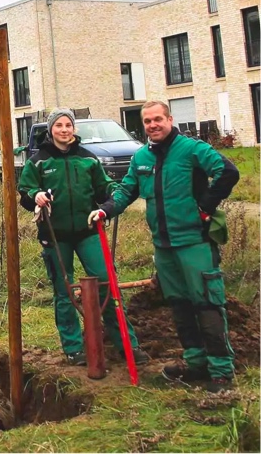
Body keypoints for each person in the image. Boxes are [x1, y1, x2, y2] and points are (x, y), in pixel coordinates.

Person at [91, 100, 240, 392]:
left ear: (170, 119)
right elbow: (127, 190)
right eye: (147, 121)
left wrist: (206, 206)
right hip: (163, 246)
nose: (153, 125)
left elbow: (228, 172)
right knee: (179, 305)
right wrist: (106, 210)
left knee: (207, 303)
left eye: (158, 119)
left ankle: (221, 371)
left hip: (194, 242)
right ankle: (195, 362)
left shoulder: (192, 149)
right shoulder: (142, 157)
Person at [18, 108, 149, 366]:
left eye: (68, 125)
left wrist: (112, 198)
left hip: (89, 232)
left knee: (106, 285)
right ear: (51, 130)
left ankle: (127, 344)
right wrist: (36, 196)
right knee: (64, 291)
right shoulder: (39, 160)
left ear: (74, 129)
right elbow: (25, 192)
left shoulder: (88, 159)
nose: (64, 130)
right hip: (55, 235)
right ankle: (74, 348)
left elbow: (105, 188)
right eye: (59, 126)